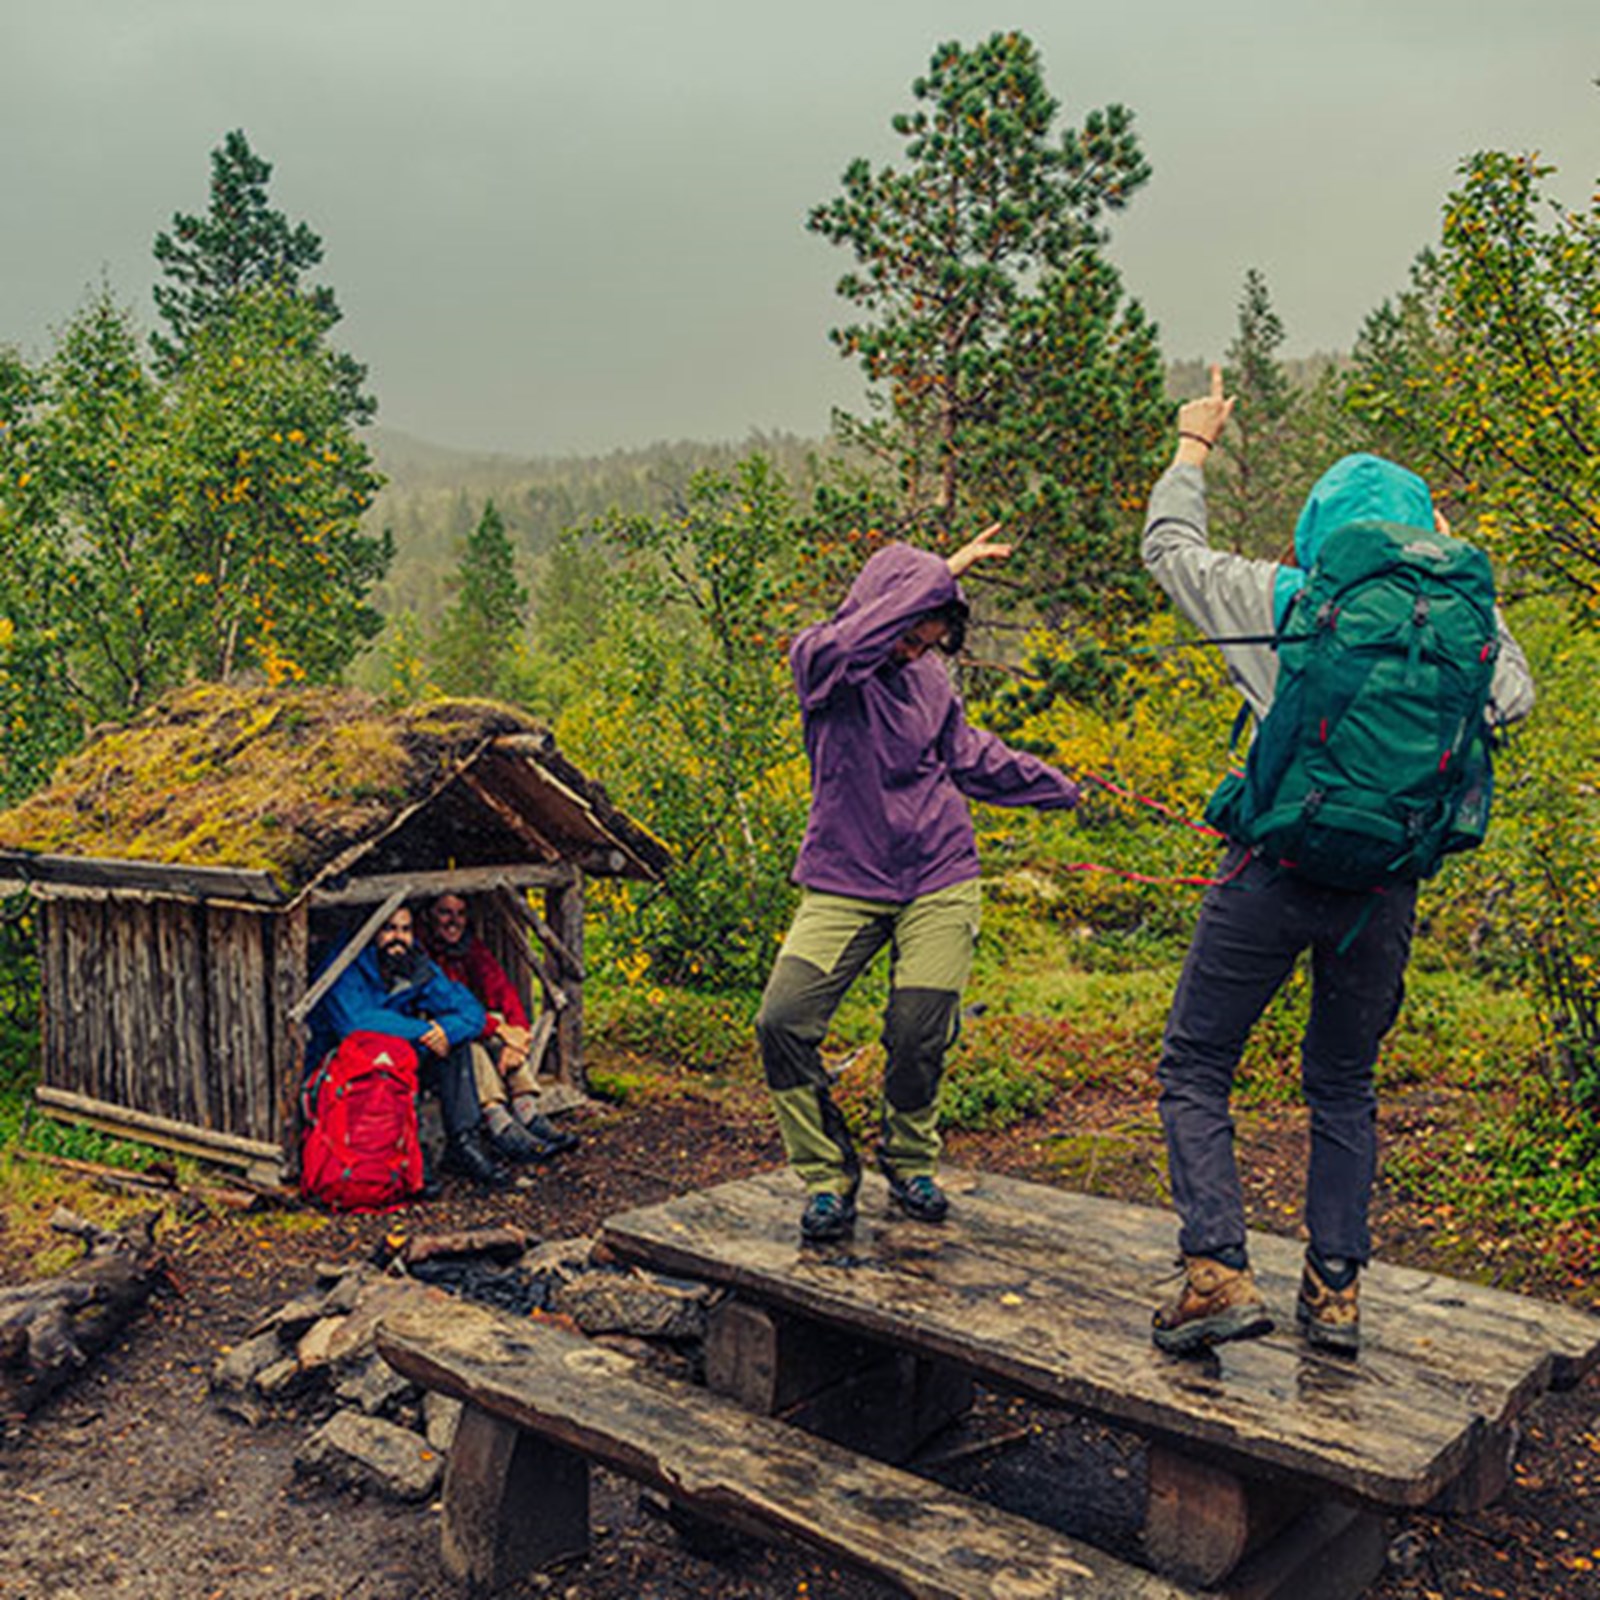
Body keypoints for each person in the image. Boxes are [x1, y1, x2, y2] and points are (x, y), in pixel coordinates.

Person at [1142, 367, 1536, 1355]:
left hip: (1267, 877)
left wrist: (1194, 445)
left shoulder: (1282, 599)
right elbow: (1515, 697)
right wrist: (1442, 566)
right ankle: (1334, 1295)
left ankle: (1217, 1271)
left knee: (1196, 1062)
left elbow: (1167, 549)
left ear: (1322, 526)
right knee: (1343, 1084)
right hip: (1382, 893)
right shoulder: (1466, 630)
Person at [756, 527, 1082, 1243]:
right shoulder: (822, 659)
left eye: (930, 641)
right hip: (844, 875)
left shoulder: (931, 678)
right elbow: (860, 637)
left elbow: (972, 757)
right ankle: (826, 1176)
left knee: (917, 1031)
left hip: (938, 873)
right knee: (782, 1020)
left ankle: (909, 1160)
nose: (916, 653)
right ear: (886, 607)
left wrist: (1061, 787)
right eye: (911, 636)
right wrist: (940, 571)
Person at [308, 904, 509, 1190]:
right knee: (389, 1055)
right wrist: (425, 1031)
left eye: (405, 929)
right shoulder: (344, 962)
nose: (398, 938)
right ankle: (411, 1162)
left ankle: (464, 1144)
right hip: (346, 1074)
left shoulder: (414, 962)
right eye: (388, 929)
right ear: (370, 932)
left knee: (454, 1047)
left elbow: (469, 1010)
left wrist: (445, 1032)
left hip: (401, 1057)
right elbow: (355, 1023)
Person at [423, 892, 579, 1163]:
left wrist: (515, 1040)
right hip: (435, 1049)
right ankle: (500, 1124)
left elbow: (503, 990)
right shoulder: (421, 954)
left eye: (460, 913)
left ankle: (528, 1114)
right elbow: (446, 1012)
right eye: (444, 912)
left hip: (470, 1028)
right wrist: (499, 1029)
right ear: (428, 916)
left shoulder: (469, 947)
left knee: (495, 1025)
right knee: (471, 1043)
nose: (454, 921)